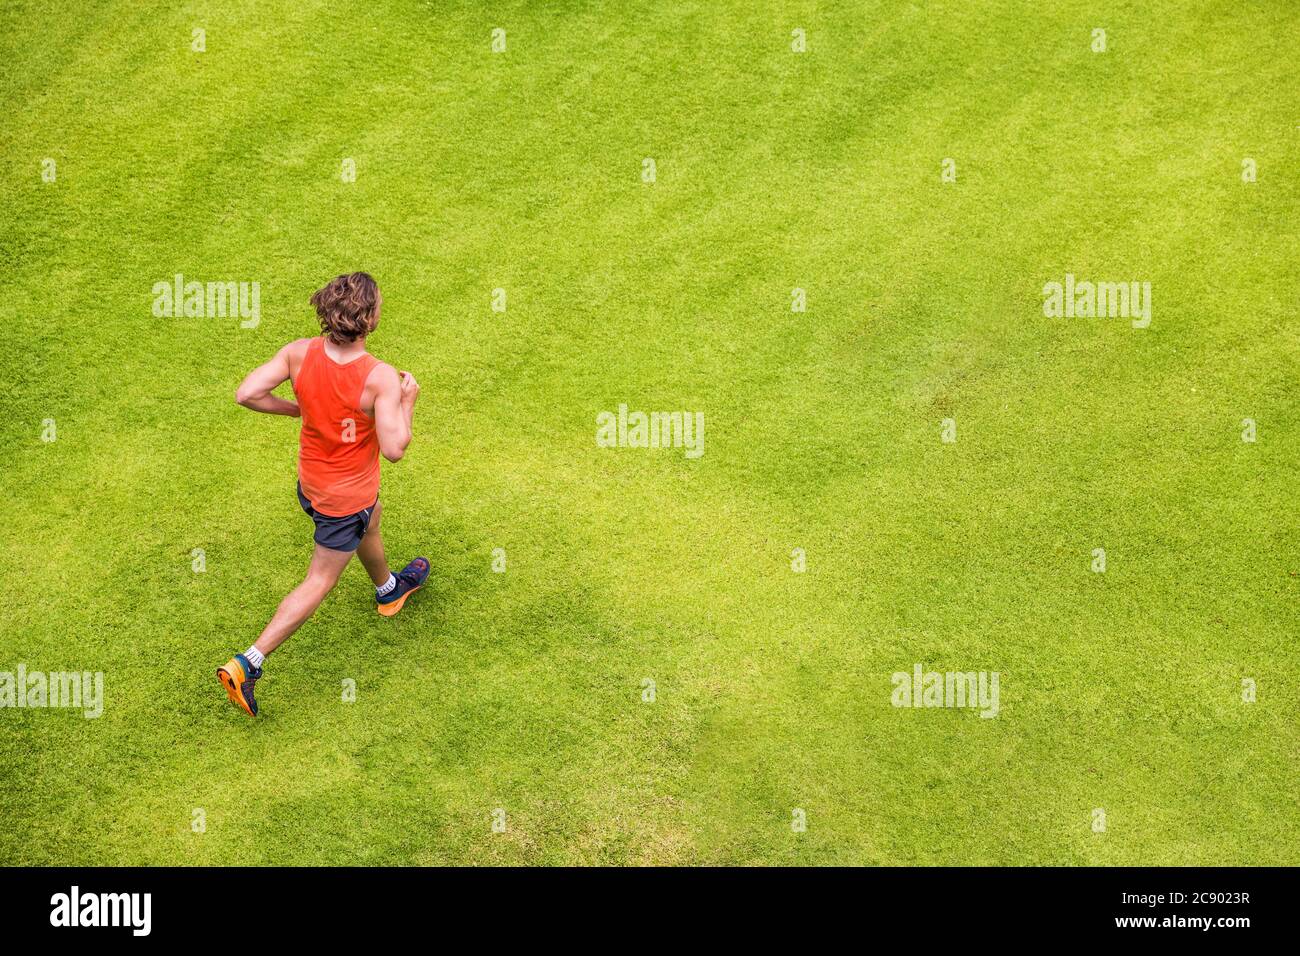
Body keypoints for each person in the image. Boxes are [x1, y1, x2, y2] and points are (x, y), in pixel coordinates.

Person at [216, 272, 428, 717]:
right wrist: (407, 400)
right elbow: (394, 449)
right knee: (320, 579)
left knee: (371, 518)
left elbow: (247, 393)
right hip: (343, 499)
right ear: (368, 320)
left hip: (311, 485)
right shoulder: (381, 378)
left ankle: (388, 589)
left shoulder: (298, 353)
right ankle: (248, 664)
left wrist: (300, 407)